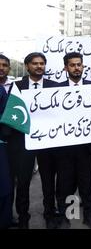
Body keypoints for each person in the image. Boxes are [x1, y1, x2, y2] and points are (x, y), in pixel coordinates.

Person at [6, 52, 59, 229]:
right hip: (23, 142)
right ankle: (23, 217)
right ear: (27, 66)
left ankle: (50, 214)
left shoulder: (55, 87)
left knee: (48, 181)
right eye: (35, 63)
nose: (39, 66)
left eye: (42, 63)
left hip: (48, 142)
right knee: (22, 182)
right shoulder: (16, 86)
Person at [56, 52, 91, 229]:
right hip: (65, 147)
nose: (76, 68)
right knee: (66, 183)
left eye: (79, 64)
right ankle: (68, 215)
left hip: (86, 147)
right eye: (72, 65)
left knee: (85, 182)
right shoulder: (56, 90)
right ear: (66, 68)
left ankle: (89, 215)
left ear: (83, 66)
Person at [0, 85, 13, 229]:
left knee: (4, 183)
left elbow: (6, 115)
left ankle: (5, 220)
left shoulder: (1, 91)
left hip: (1, 144)